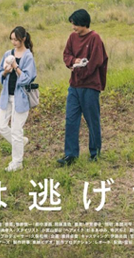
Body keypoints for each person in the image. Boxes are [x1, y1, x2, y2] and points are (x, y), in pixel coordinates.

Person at [57, 9, 108, 166]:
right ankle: (71, 155)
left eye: (75, 25)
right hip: (74, 85)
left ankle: (95, 153)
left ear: (83, 23)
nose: (73, 28)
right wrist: (74, 62)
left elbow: (96, 61)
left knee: (92, 120)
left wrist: (82, 71)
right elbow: (66, 54)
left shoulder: (94, 38)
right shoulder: (72, 37)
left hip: (90, 86)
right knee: (71, 119)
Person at [0, 26, 37, 172]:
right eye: (11, 39)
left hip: (21, 98)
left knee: (16, 130)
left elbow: (27, 78)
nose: (13, 42)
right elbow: (0, 74)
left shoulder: (28, 56)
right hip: (6, 96)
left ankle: (17, 163)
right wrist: (6, 72)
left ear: (23, 39)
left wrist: (16, 66)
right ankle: (21, 142)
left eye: (16, 40)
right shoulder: (8, 54)